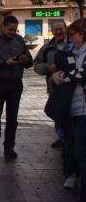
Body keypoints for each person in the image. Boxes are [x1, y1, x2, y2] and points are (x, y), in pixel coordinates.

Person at [51, 19, 86, 202]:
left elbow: (80, 74)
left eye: (73, 34)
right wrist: (58, 74)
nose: (71, 38)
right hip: (75, 109)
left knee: (82, 153)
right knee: (77, 151)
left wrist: (64, 76)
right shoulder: (75, 53)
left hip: (83, 111)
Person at [0, 15, 32, 160]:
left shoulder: (19, 41)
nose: (13, 32)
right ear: (3, 27)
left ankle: (9, 147)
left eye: (15, 30)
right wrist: (5, 63)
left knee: (12, 117)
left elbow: (29, 61)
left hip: (15, 83)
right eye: (10, 29)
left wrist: (25, 61)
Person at [34, 19, 70, 149]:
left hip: (72, 86)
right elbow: (36, 65)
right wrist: (48, 67)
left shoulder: (73, 45)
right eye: (56, 30)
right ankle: (61, 137)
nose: (59, 32)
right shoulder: (47, 48)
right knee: (57, 112)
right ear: (52, 31)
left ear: (66, 29)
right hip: (54, 87)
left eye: (61, 29)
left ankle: (70, 137)